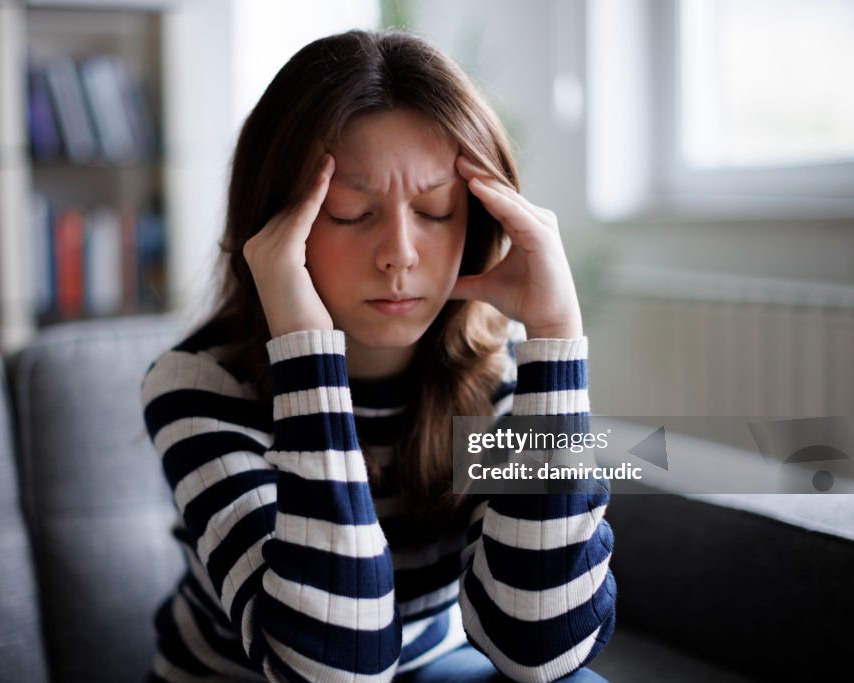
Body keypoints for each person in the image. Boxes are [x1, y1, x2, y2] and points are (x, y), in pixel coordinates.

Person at [141, 29, 615, 683]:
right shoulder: (198, 385)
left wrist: (555, 340)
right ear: (275, 230)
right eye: (351, 212)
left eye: (435, 208)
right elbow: (334, 672)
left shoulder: (500, 373)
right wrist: (305, 357)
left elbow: (541, 646)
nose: (400, 252)